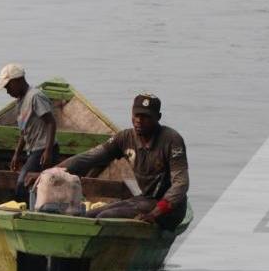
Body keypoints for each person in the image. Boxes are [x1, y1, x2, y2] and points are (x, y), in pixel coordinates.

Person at [60, 93, 189, 230]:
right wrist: (55, 170)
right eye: (136, 115)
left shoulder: (171, 140)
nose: (139, 120)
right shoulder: (125, 137)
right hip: (145, 199)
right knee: (87, 216)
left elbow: (181, 184)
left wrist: (155, 214)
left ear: (158, 117)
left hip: (168, 209)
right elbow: (91, 157)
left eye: (146, 117)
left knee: (105, 216)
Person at [0, 63, 59, 201]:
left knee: (22, 183)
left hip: (44, 150)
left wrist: (48, 152)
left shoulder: (35, 97)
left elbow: (51, 122)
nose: (7, 91)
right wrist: (17, 154)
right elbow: (24, 131)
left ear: (17, 81)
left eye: (8, 87)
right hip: (33, 151)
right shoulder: (20, 102)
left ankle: (25, 213)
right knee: (29, 182)